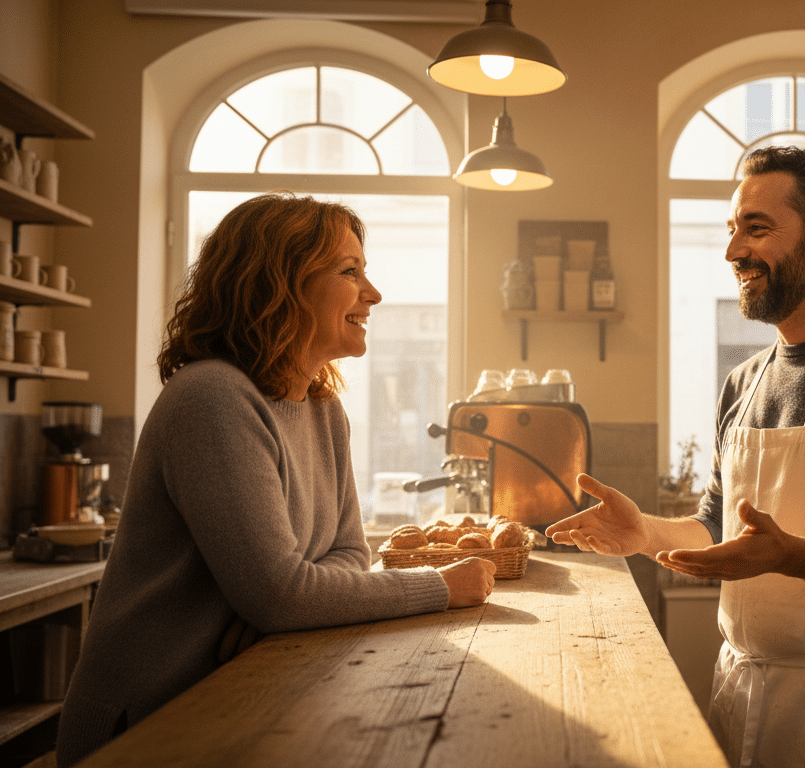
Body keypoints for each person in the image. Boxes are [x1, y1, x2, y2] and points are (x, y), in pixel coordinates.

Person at [547, 147, 805, 768]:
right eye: (731, 230)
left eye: (757, 228)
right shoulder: (743, 382)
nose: (733, 252)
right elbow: (719, 526)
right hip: (741, 690)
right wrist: (642, 533)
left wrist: (791, 555)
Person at [56, 193, 496, 767]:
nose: (374, 293)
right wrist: (441, 586)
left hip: (236, 702)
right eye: (350, 271)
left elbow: (346, 554)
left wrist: (278, 605)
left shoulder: (321, 409)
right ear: (279, 284)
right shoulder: (212, 398)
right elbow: (283, 594)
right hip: (147, 725)